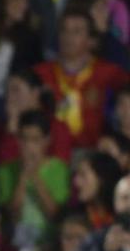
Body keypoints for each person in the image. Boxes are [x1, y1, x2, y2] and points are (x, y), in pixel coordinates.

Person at [34, 9, 128, 149]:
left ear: (91, 41)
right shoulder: (40, 73)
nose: (68, 37)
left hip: (93, 153)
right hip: (48, 153)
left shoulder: (108, 72)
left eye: (76, 31)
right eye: (64, 30)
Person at [0, 110, 70, 251]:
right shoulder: (6, 171)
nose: (29, 146)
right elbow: (12, 215)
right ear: (18, 140)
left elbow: (54, 213)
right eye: (24, 139)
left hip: (50, 243)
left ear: (47, 140)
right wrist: (23, 176)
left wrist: (34, 176)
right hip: (17, 243)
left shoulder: (58, 169)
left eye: (36, 140)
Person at [72, 150, 120, 230]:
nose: (76, 182)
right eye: (76, 175)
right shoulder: (74, 216)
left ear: (101, 177)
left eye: (83, 175)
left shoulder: (123, 213)